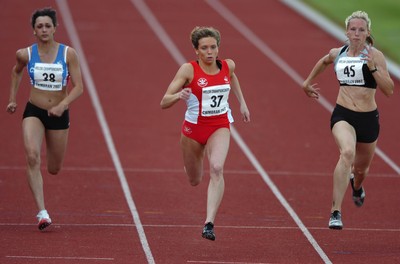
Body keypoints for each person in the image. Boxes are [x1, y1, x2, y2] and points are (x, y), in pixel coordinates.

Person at [302, 11, 394, 230]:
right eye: (353, 29)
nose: (356, 33)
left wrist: (372, 67)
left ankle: (357, 185)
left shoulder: (376, 56)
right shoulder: (339, 53)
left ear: (368, 33)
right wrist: (307, 83)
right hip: (343, 114)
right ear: (347, 32)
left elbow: (389, 90)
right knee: (347, 153)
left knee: (361, 171)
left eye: (361, 30)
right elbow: (324, 61)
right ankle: (336, 211)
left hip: (368, 119)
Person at [160, 26, 250, 240]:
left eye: (213, 47)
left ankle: (209, 223)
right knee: (195, 179)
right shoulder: (188, 70)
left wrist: (242, 103)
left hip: (219, 125)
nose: (210, 52)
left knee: (217, 168)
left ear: (218, 48)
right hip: (192, 130)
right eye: (204, 48)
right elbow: (164, 102)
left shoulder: (228, 65)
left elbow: (232, 76)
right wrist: (179, 95)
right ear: (196, 50)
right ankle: (193, 161)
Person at [6, 7, 84, 230]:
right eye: (39, 26)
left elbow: (79, 87)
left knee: (53, 168)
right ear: (34, 30)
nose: (44, 30)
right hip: (34, 111)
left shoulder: (68, 54)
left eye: (47, 26)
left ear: (55, 28)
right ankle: (42, 213)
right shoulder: (25, 54)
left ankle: (44, 201)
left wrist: (62, 105)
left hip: (59, 114)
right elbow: (16, 71)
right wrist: (12, 98)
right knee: (32, 156)